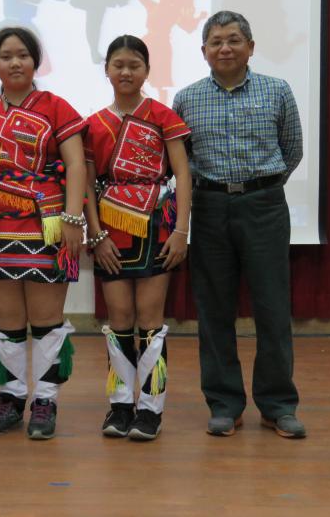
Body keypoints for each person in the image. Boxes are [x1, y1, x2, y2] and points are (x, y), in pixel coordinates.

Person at [172, 11, 306, 439]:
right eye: (216, 42)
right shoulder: (186, 99)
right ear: (204, 51)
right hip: (210, 207)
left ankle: (278, 405)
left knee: (272, 308)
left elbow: (292, 149)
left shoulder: (276, 90)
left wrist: (258, 188)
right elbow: (181, 162)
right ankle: (224, 405)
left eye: (233, 40)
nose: (225, 48)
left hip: (264, 205)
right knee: (214, 309)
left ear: (250, 47)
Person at [0, 27, 86, 440]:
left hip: (48, 225)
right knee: (9, 321)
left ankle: (45, 401)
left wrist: (73, 219)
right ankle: (11, 398)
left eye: (23, 55)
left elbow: (76, 164)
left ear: (36, 61)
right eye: (6, 56)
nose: (15, 63)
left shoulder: (56, 107)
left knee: (47, 321)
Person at [83, 35, 191, 440]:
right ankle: (120, 405)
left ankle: (150, 409)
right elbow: (87, 183)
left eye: (134, 65)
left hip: (156, 226)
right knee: (119, 320)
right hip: (110, 230)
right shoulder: (93, 124)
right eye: (118, 65)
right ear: (107, 70)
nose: (126, 72)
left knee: (149, 320)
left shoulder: (162, 116)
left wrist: (181, 231)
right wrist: (96, 236)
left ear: (146, 70)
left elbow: (183, 174)